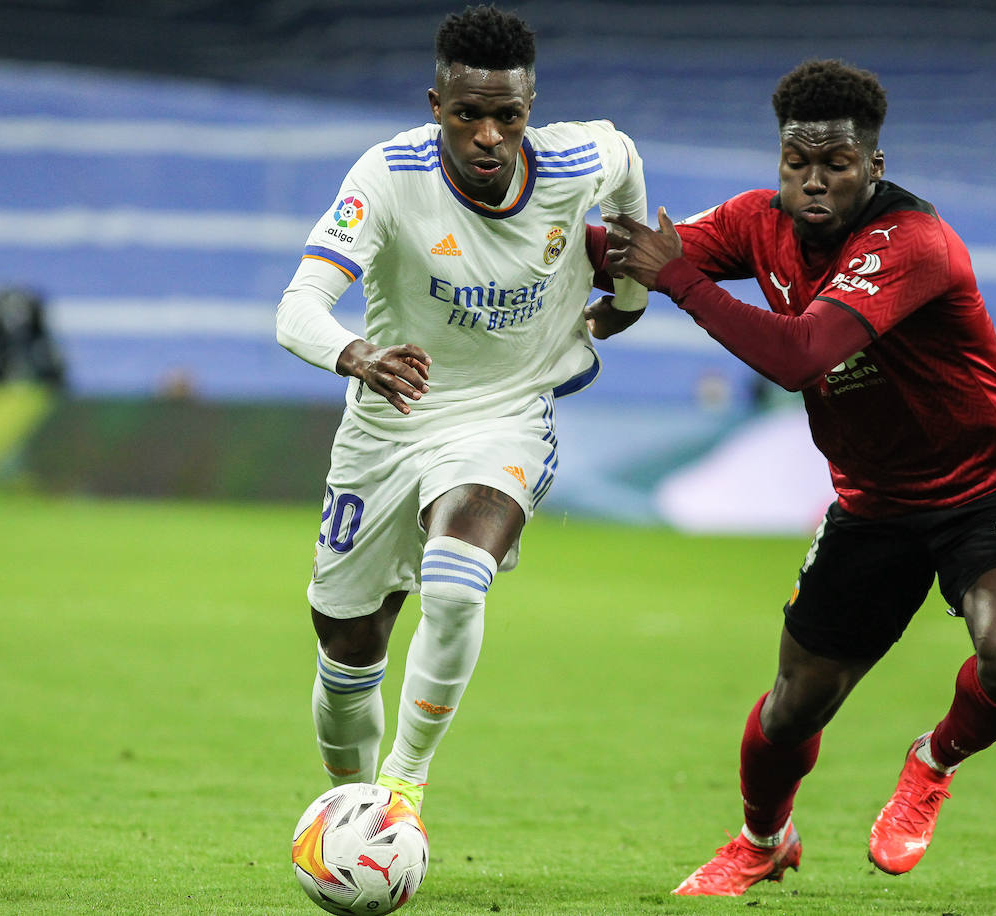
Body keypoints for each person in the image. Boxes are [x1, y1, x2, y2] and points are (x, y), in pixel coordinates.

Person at [600, 58, 996, 895]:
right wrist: (526, 232)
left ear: (873, 168)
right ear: (780, 161)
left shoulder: (911, 242)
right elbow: (625, 252)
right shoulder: (757, 221)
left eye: (836, 166)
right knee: (792, 708)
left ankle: (932, 764)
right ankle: (762, 839)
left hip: (988, 488)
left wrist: (672, 279)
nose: (813, 183)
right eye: (797, 164)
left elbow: (798, 353)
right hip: (872, 504)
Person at [275, 4, 648, 817]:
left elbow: (626, 170)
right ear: (435, 104)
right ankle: (352, 809)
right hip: (390, 418)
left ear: (529, 111)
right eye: (469, 114)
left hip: (507, 412)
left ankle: (403, 790)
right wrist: (357, 354)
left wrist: (629, 292)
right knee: (346, 654)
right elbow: (297, 306)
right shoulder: (386, 177)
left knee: (455, 578)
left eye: (507, 115)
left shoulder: (575, 158)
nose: (488, 134)